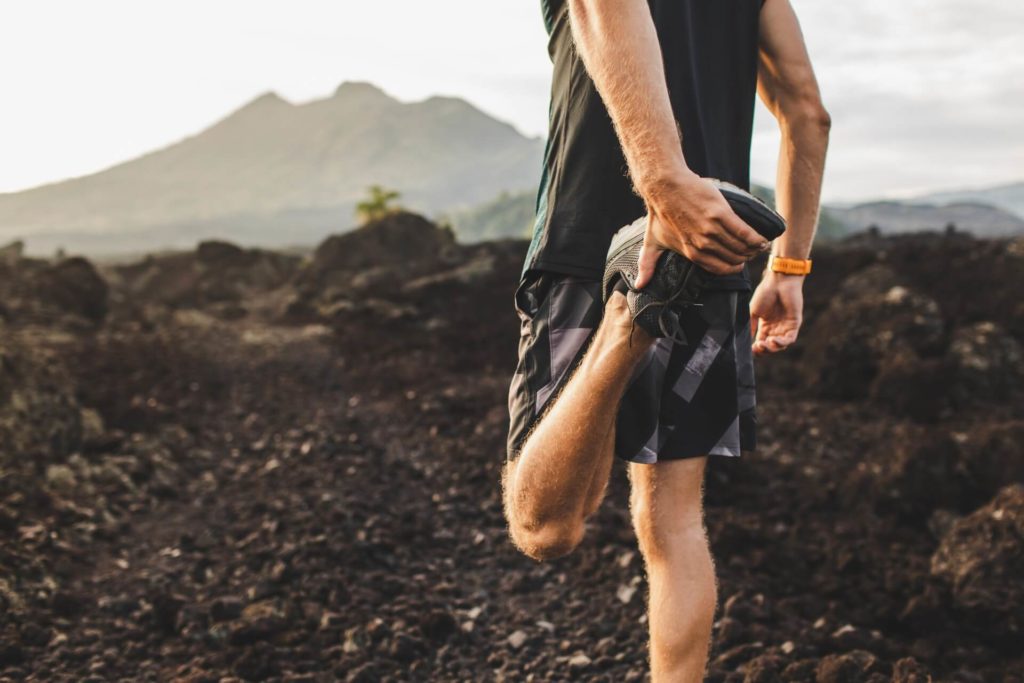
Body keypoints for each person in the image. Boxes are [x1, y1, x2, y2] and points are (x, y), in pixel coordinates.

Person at [502, 0, 830, 680]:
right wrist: (790, 267)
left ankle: (630, 317)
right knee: (674, 524)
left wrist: (663, 187)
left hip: (589, 238)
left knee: (545, 528)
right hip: (712, 251)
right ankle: (647, 304)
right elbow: (805, 110)